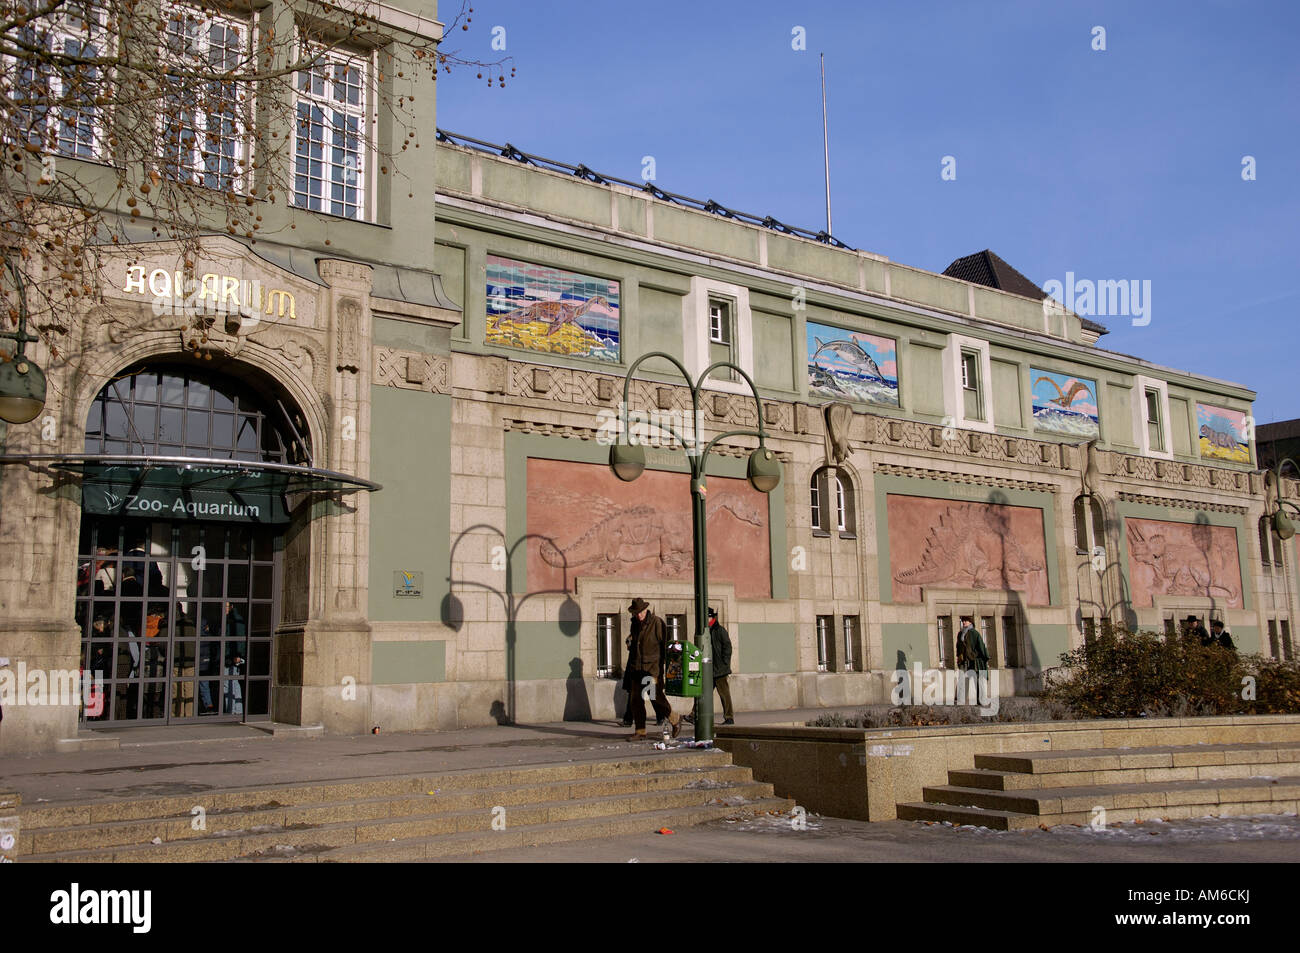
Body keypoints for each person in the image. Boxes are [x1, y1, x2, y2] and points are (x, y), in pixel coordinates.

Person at [624, 597, 680, 741]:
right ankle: (640, 731)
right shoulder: (634, 624)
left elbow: (665, 646)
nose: (638, 615)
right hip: (637, 667)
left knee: (655, 698)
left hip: (652, 668)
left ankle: (675, 719)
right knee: (635, 700)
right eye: (636, 613)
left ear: (646, 610)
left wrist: (664, 668)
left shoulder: (657, 623)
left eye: (640, 612)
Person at [707, 608, 735, 726]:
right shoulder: (706, 631)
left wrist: (725, 663)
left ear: (711, 617)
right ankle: (693, 714)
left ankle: (729, 717)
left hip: (720, 668)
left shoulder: (719, 630)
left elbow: (727, 647)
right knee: (703, 693)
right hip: (709, 668)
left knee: (724, 694)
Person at [958, 617, 990, 706]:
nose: (964, 622)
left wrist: (974, 655)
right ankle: (961, 701)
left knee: (980, 681)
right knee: (962, 680)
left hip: (976, 661)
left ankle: (981, 700)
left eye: (966, 621)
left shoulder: (975, 633)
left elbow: (981, 647)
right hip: (964, 661)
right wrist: (959, 656)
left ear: (970, 622)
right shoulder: (960, 634)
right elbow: (958, 646)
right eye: (963, 621)